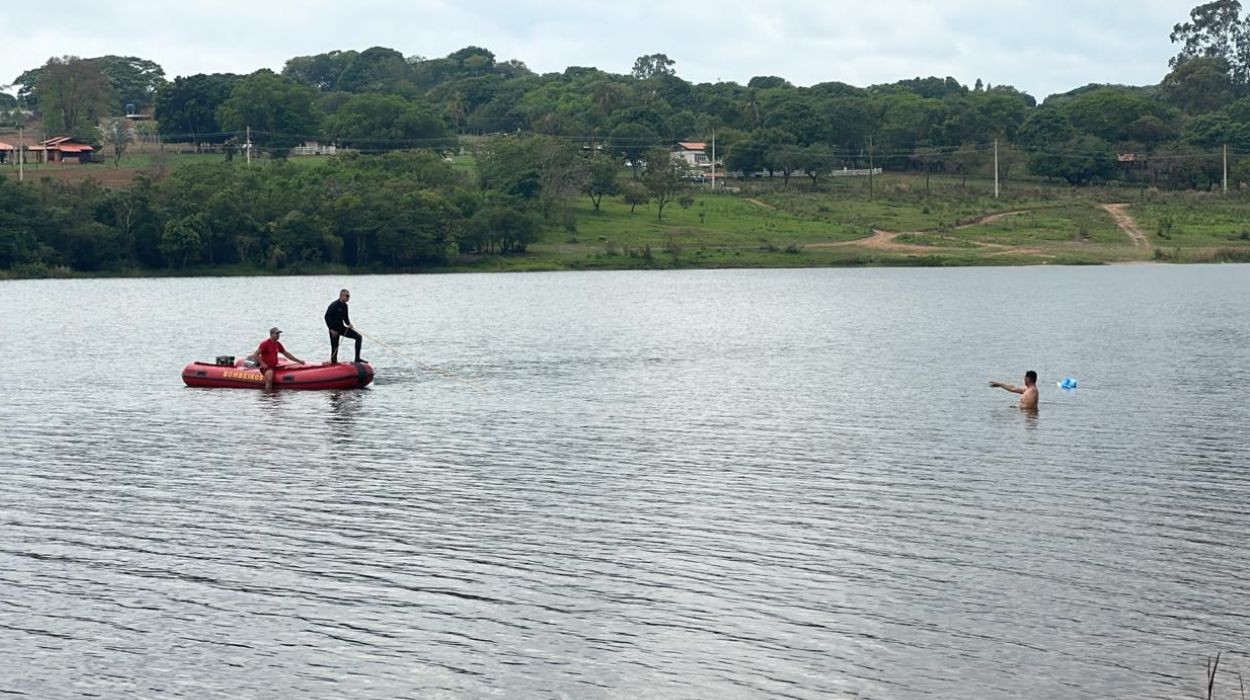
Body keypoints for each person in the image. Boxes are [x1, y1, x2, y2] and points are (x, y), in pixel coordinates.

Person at [325, 288, 365, 364]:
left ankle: (357, 358)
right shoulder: (334, 305)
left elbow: (345, 318)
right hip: (334, 330)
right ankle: (334, 363)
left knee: (359, 337)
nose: (348, 297)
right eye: (347, 296)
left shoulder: (345, 306)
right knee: (335, 347)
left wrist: (349, 324)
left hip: (342, 328)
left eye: (349, 296)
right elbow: (326, 317)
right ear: (341, 296)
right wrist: (331, 329)